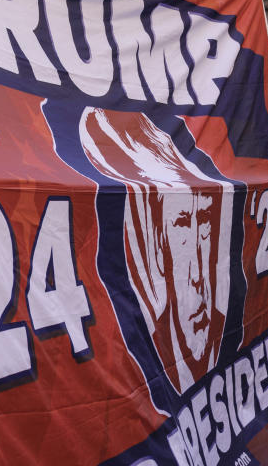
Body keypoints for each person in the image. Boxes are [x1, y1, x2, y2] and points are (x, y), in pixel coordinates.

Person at [81, 108, 232, 395]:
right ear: (155, 238)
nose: (199, 270)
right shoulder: (138, 345)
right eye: (183, 223)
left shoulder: (224, 327)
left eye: (204, 222)